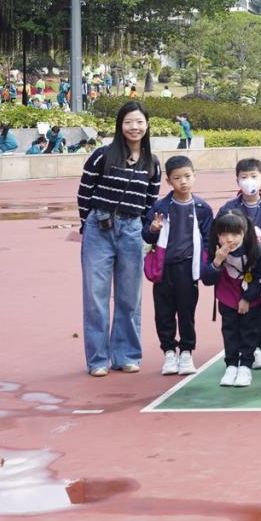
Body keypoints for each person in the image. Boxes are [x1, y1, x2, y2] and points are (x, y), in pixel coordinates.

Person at [76, 101, 161, 377]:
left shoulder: (152, 163)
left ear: (146, 125)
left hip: (132, 231)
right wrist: (88, 224)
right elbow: (84, 192)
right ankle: (98, 359)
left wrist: (144, 232)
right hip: (98, 229)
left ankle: (126, 355)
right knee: (95, 297)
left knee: (129, 297)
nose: (134, 127)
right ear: (120, 125)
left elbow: (150, 203)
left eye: (139, 122)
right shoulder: (102, 156)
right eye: (128, 122)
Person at [143, 155, 213, 378]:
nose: (183, 181)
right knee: (163, 313)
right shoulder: (160, 206)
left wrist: (205, 266)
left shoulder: (202, 208)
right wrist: (153, 229)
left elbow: (209, 240)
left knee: (186, 312)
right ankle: (169, 352)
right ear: (168, 181)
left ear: (194, 176)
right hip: (164, 268)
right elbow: (146, 236)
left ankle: (186, 352)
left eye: (187, 176)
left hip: (187, 269)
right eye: (177, 178)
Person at [202, 211, 261, 387]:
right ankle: (231, 365)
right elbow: (207, 279)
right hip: (227, 293)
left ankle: (245, 366)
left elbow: (260, 277)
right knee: (230, 330)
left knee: (249, 330)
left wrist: (247, 298)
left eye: (234, 234)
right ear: (217, 234)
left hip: (250, 294)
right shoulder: (214, 249)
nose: (229, 239)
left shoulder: (256, 249)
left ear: (243, 232)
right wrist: (217, 261)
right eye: (224, 234)